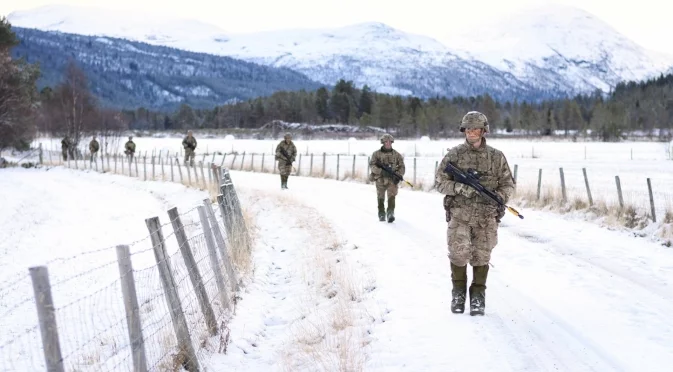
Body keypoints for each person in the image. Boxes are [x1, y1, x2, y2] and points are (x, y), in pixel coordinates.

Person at [434, 111, 515, 316]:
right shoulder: (454, 155)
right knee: (458, 253)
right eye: (468, 129)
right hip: (460, 213)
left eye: (476, 129)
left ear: (483, 130)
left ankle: (478, 297)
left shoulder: (496, 157)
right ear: (464, 130)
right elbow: (440, 182)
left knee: (482, 256)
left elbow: (508, 185)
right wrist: (461, 188)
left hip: (487, 215)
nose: (471, 132)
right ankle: (458, 294)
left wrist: (499, 197)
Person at [368, 133, 405, 222]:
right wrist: (381, 171)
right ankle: (381, 214)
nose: (388, 143)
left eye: (389, 142)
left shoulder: (397, 155)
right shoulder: (376, 154)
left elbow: (402, 167)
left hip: (392, 180)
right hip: (380, 179)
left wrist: (398, 175)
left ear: (391, 142)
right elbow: (372, 165)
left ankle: (390, 213)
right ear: (383, 143)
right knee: (380, 196)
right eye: (386, 142)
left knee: (392, 196)